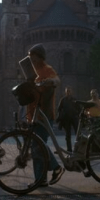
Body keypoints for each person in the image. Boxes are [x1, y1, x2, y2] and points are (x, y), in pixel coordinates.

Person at [26, 43, 65, 187]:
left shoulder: (47, 69)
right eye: (30, 56)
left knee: (38, 146)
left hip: (44, 114)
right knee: (37, 145)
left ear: (40, 56)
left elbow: (57, 80)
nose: (31, 59)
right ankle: (46, 175)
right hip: (34, 114)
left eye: (33, 56)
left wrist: (50, 81)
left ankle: (48, 173)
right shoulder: (32, 73)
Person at [56, 86, 79, 152]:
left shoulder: (74, 99)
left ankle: (78, 148)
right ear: (66, 92)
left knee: (77, 134)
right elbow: (59, 109)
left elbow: (78, 108)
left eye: (69, 91)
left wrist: (77, 114)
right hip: (66, 119)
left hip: (74, 118)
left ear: (71, 92)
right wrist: (60, 117)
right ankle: (69, 149)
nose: (68, 92)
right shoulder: (63, 100)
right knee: (68, 135)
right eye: (67, 91)